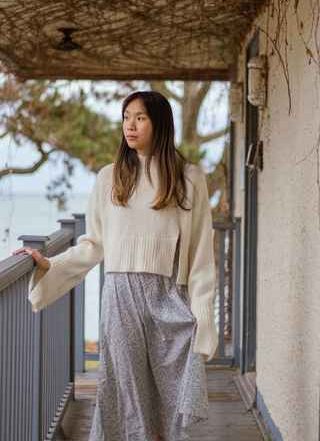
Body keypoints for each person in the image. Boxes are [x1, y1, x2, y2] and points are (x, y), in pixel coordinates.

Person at [12, 90, 218, 441]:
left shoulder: (189, 177)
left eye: (140, 117)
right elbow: (94, 245)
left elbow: (201, 256)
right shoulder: (110, 178)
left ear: (160, 123)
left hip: (171, 297)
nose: (130, 125)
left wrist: (204, 316)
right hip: (121, 298)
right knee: (125, 398)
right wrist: (49, 265)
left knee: (169, 405)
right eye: (125, 117)